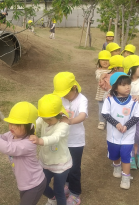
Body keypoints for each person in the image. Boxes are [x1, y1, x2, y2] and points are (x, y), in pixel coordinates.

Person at [0, 102, 46, 205]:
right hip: (24, 184)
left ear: (30, 126)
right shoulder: (11, 135)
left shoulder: (29, 143)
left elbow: (8, 148)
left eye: (17, 124)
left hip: (34, 184)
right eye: (11, 123)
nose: (12, 126)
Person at [101, 72, 139, 189]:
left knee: (126, 156)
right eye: (123, 85)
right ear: (115, 87)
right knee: (115, 155)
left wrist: (127, 125)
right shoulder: (109, 100)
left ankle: (126, 177)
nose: (127, 87)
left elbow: (137, 116)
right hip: (113, 136)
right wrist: (117, 124)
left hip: (128, 136)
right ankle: (116, 166)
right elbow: (105, 113)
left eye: (128, 84)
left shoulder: (133, 101)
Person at [53, 72, 88, 205]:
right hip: (62, 140)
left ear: (74, 88)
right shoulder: (60, 98)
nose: (63, 96)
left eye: (65, 93)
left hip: (76, 141)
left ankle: (75, 193)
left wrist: (69, 121)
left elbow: (83, 115)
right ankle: (66, 185)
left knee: (74, 168)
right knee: (62, 165)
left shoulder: (82, 99)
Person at [30, 94, 72, 205]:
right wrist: (28, 131)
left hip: (60, 164)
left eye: (49, 119)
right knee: (40, 185)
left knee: (59, 191)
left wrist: (39, 140)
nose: (47, 121)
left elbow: (55, 137)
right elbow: (35, 125)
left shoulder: (63, 125)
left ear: (59, 114)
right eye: (45, 119)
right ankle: (52, 198)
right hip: (46, 162)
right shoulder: (44, 119)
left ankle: (58, 199)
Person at [95, 50, 111, 130]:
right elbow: (98, 77)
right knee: (101, 109)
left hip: (110, 94)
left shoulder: (112, 70)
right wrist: (104, 75)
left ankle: (109, 121)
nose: (105, 62)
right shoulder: (99, 71)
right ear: (99, 61)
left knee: (110, 108)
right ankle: (101, 121)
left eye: (107, 60)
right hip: (101, 94)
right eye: (102, 60)